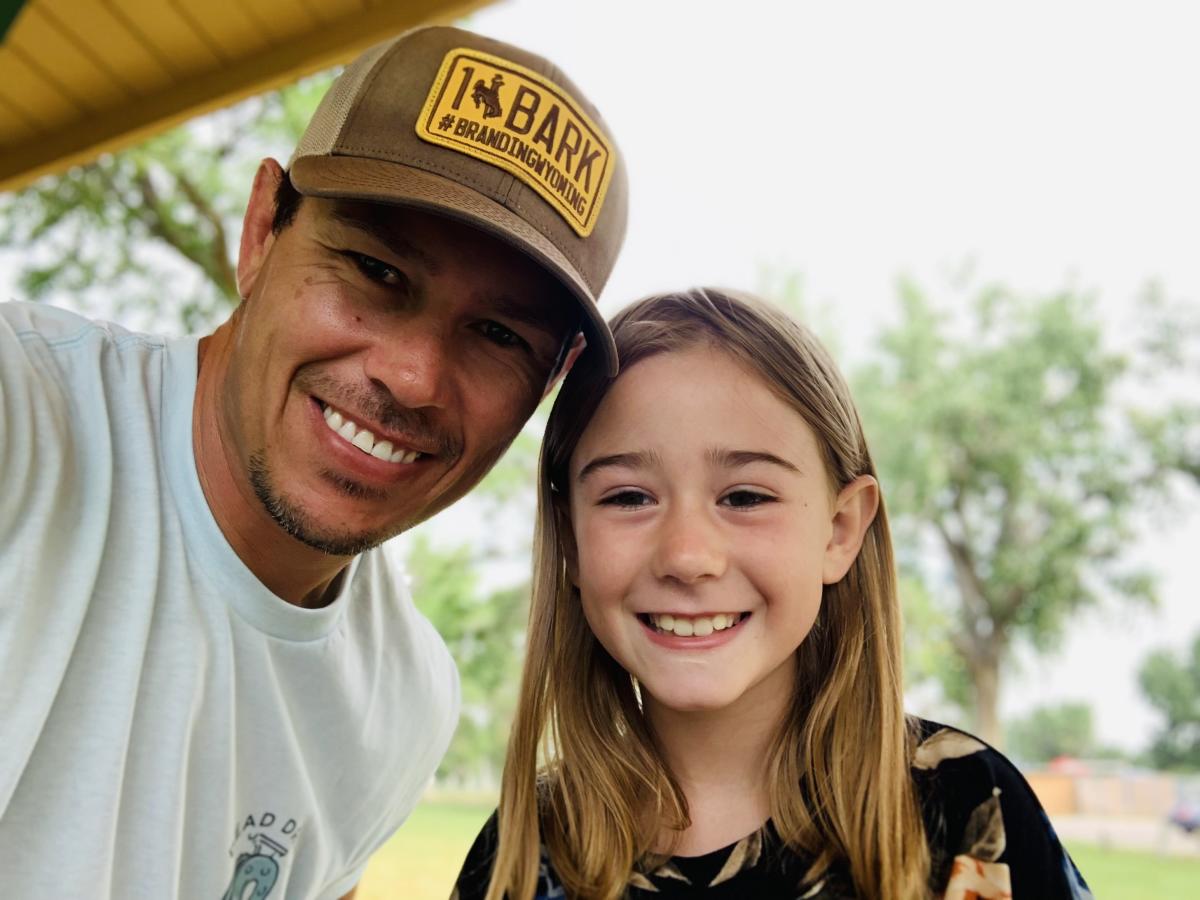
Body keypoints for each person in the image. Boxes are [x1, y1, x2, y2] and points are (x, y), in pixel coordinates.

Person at [0, 24, 626, 900]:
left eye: (497, 335)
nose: (411, 377)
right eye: (375, 269)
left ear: (547, 385)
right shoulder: (27, 422)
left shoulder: (406, 697)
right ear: (262, 230)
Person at [452, 288, 1094, 900]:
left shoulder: (969, 812)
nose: (686, 557)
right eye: (629, 497)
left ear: (840, 531)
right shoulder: (522, 847)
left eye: (746, 497)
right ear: (570, 540)